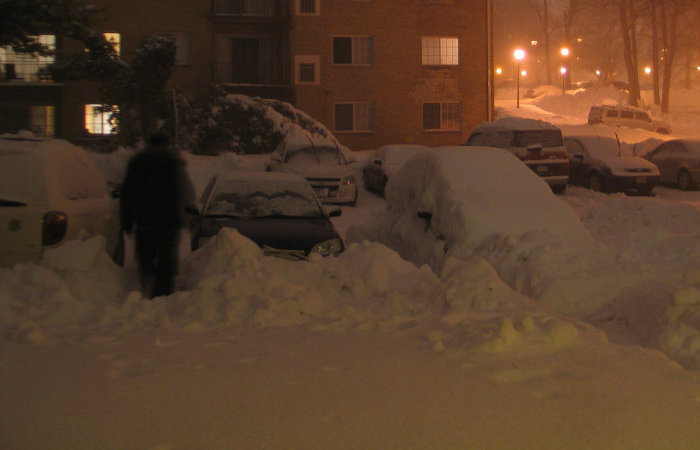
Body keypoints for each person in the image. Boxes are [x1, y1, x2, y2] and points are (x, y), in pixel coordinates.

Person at [120, 132, 196, 298]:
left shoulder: (137, 163)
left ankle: (146, 288)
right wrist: (190, 210)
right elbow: (186, 189)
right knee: (167, 260)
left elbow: (128, 194)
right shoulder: (173, 163)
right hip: (170, 221)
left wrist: (126, 220)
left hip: (144, 221)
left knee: (145, 257)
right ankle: (163, 293)